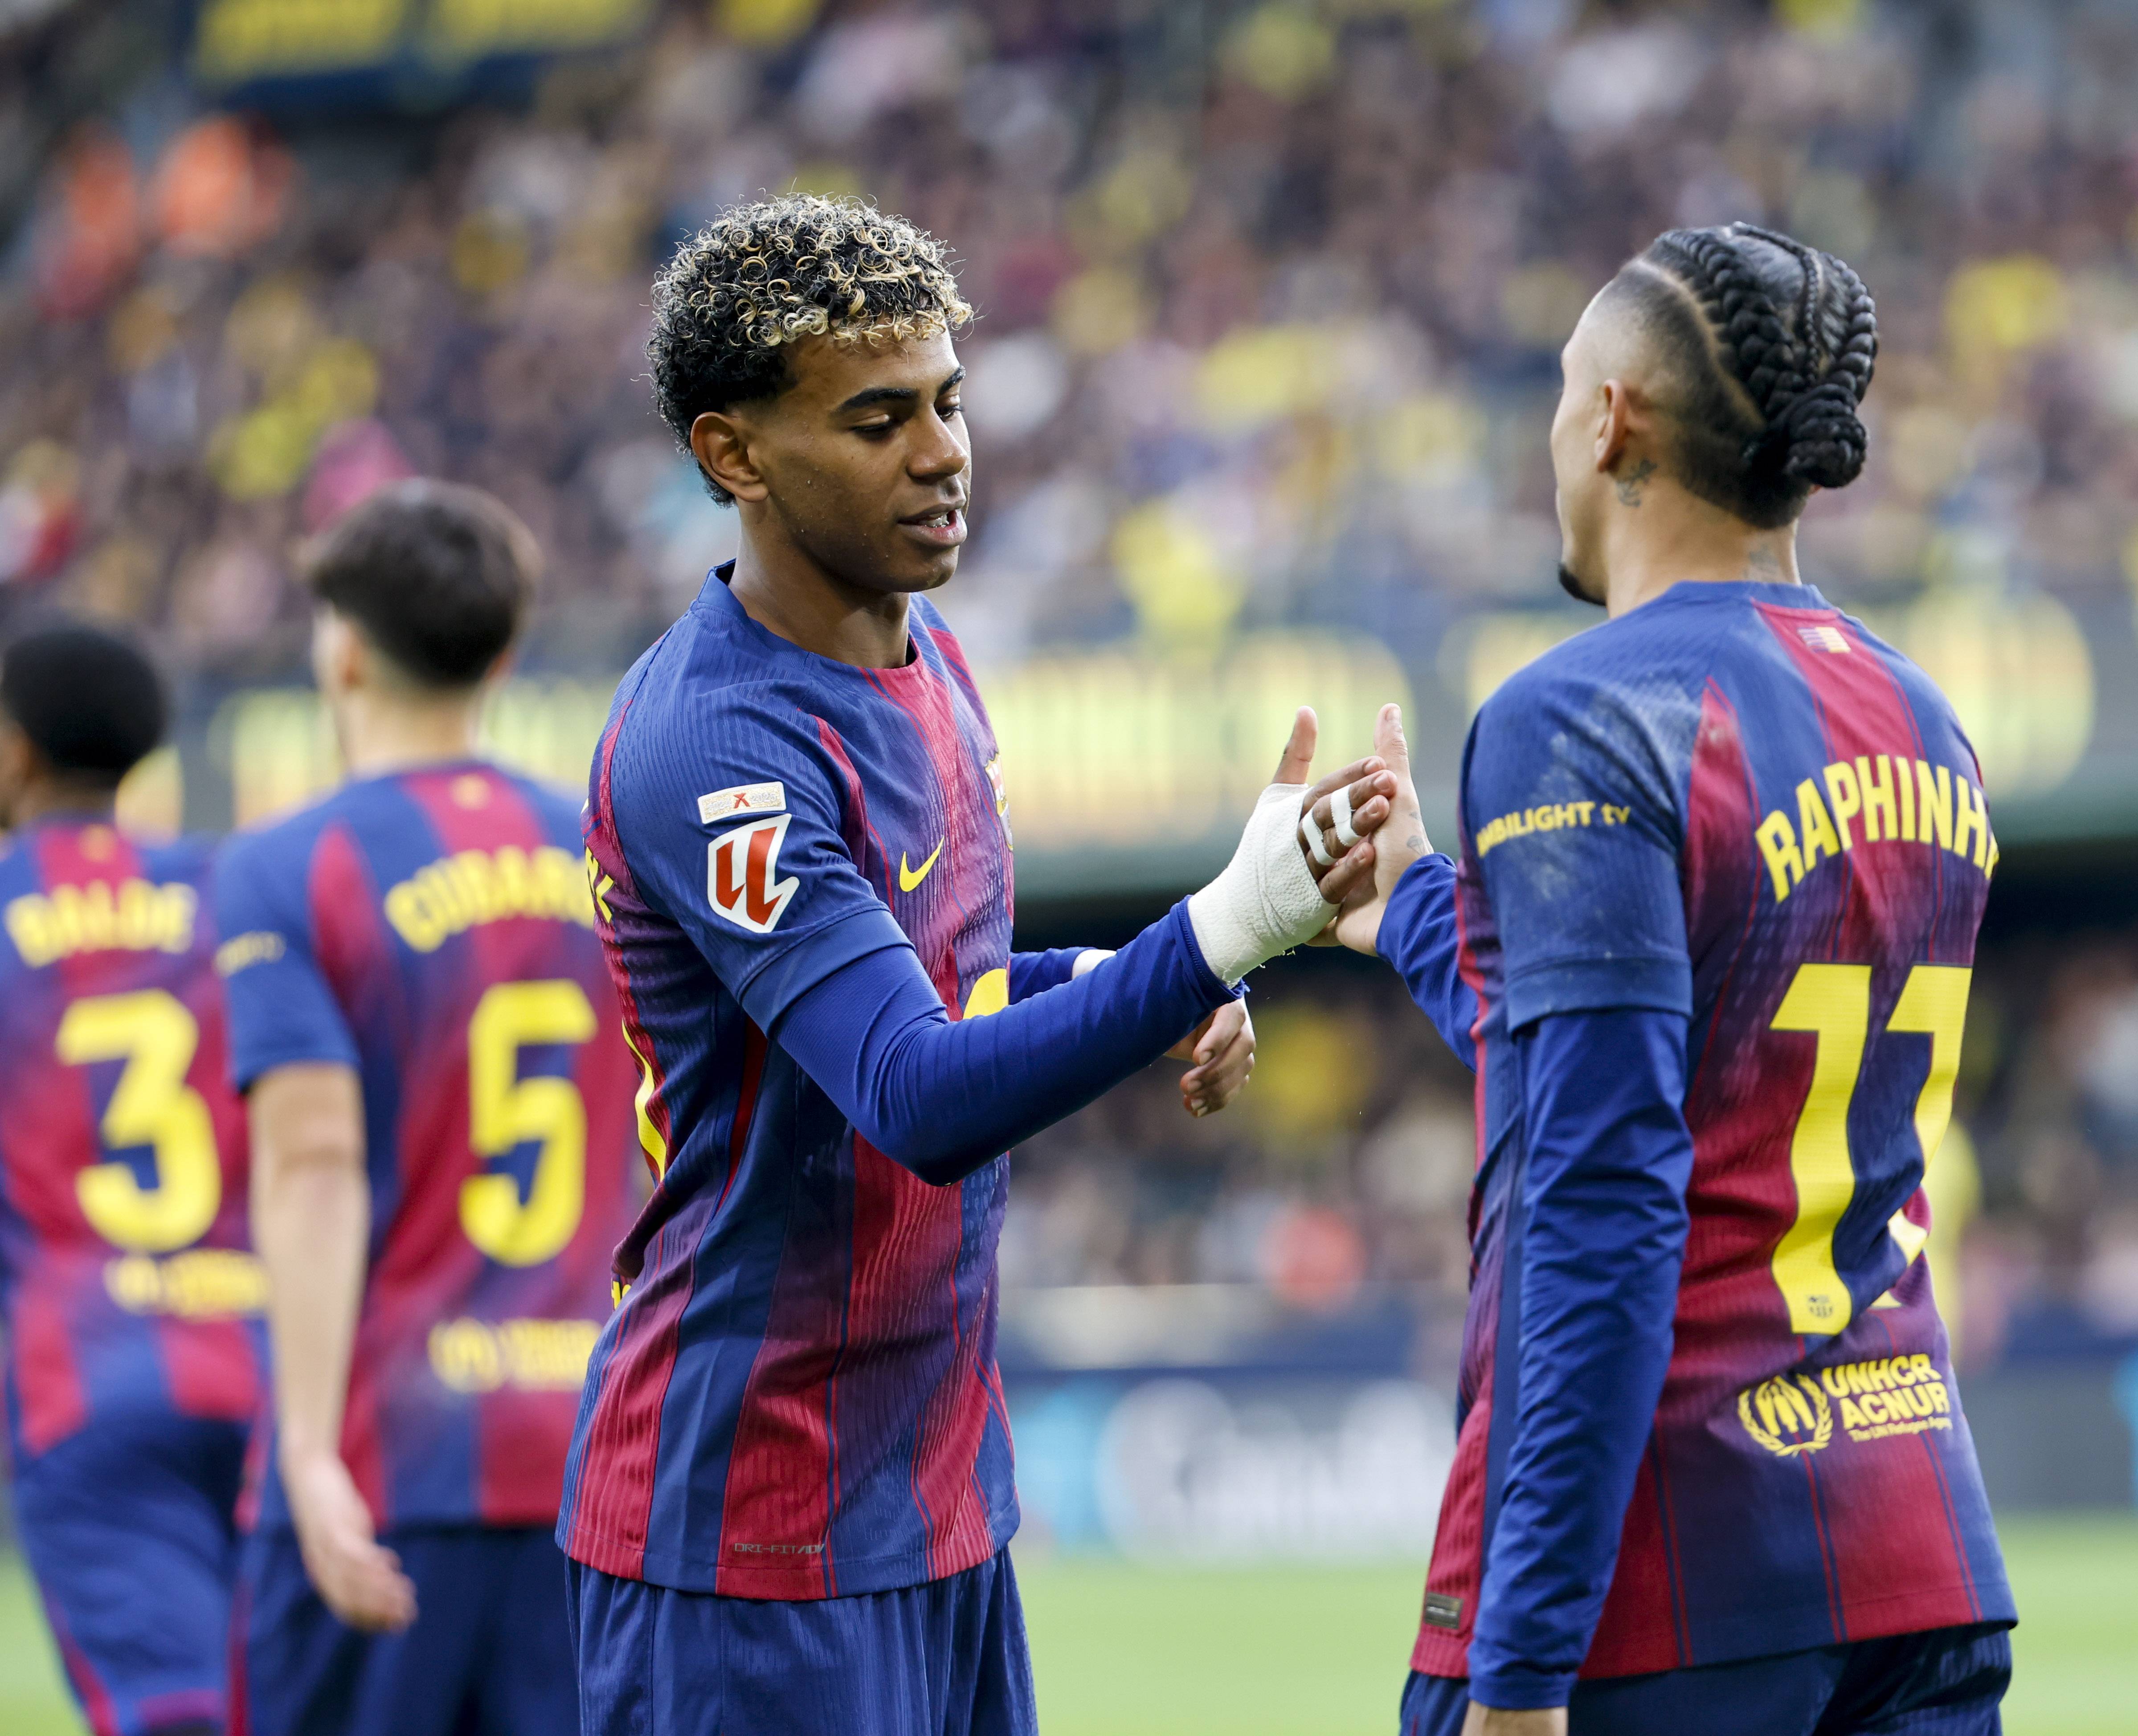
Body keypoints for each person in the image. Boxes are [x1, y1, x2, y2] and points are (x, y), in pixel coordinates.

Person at [556, 193, 1392, 1736]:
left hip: (934, 1499)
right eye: (877, 421)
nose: (941, 452)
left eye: (948, 403)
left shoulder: (929, 656)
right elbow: (915, 1093)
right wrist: (1221, 929)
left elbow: (953, 985)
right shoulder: (716, 746)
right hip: (751, 1534)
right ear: (732, 455)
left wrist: (1127, 988)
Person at [1309, 223, 2016, 1736]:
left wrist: (1519, 1661)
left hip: (1667, 1581)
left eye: (1561, 391)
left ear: (1613, 419)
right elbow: (1667, 1058)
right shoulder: (1923, 717)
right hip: (1917, 1562)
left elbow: (1601, 1190)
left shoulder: (1583, 713)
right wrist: (1415, 906)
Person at [212, 481, 641, 1736]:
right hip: (591, 1458)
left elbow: (312, 1164)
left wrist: (304, 1453)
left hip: (385, 1457)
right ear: (503, 655)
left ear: (342, 650)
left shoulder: (288, 866)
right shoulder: (605, 853)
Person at [0, 624, 264, 1736]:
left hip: (86, 1378)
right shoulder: (233, 891)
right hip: (267, 1370)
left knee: (171, 1713)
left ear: (16, 751)